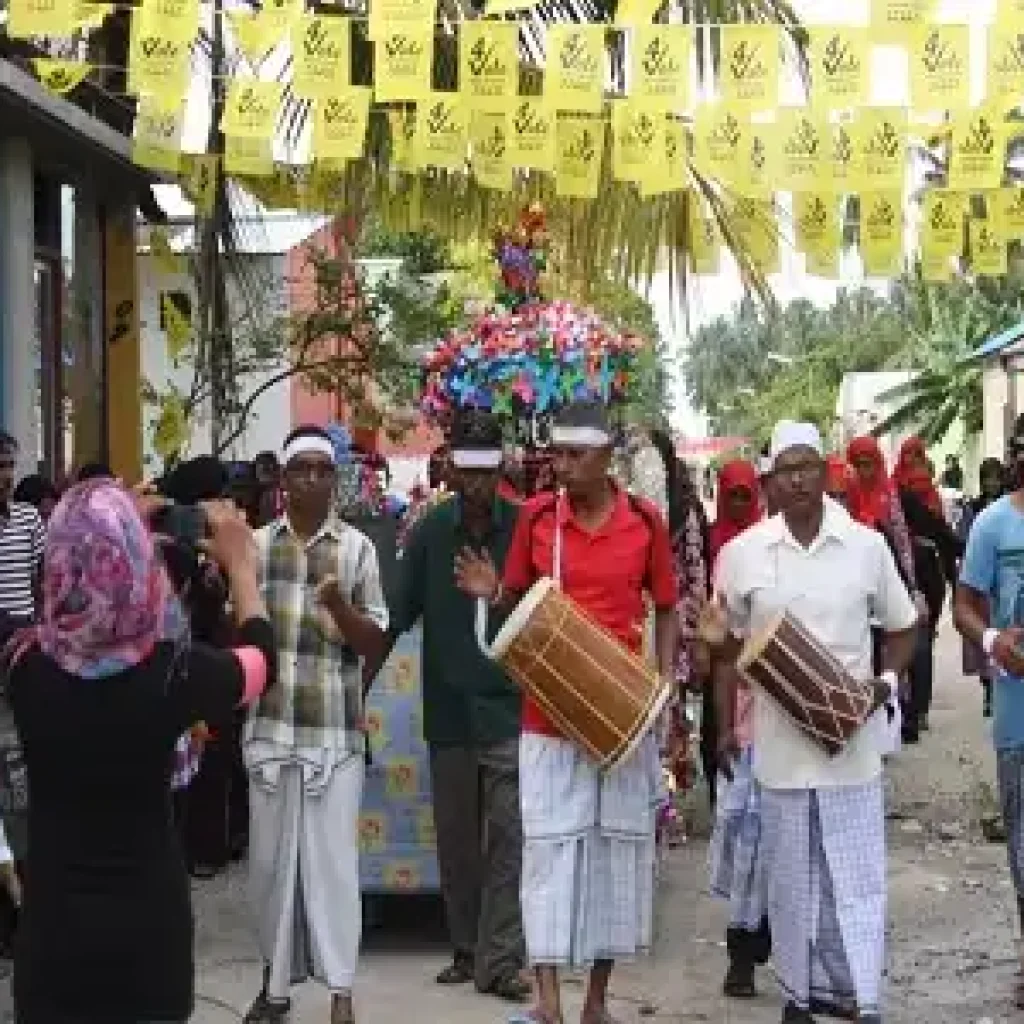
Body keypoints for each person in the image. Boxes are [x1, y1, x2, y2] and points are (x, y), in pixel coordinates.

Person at [5, 479, 275, 1023]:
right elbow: (260, 661)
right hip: (149, 945)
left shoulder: (25, 668)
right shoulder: (177, 673)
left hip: (53, 947)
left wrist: (103, 513)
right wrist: (242, 570)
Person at [455, 401, 678, 1024]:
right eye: (557, 454)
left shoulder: (647, 524)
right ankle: (548, 1003)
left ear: (608, 458)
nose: (562, 466)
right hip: (548, 719)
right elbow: (518, 604)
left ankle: (597, 1003)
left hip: (621, 716)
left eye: (576, 455)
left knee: (616, 854)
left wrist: (660, 689)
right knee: (548, 855)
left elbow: (667, 607)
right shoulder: (536, 519)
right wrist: (490, 594)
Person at [702, 421, 917, 1024]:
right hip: (779, 752)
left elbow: (903, 627)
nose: (797, 478)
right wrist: (714, 647)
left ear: (826, 473)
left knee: (858, 879)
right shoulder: (741, 555)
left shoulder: (865, 547)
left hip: (851, 749)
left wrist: (884, 684)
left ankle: (861, 997)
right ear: (770, 480)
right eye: (785, 469)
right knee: (792, 885)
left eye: (808, 466)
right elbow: (725, 649)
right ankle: (800, 995)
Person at [364, 411, 529, 1003]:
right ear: (453, 468)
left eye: (488, 472)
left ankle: (502, 958)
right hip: (451, 708)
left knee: (509, 837)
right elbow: (394, 619)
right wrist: (359, 687)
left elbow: (545, 613)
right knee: (458, 841)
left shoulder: (525, 528)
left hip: (511, 707)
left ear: (502, 467)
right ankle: (467, 948)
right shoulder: (431, 534)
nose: (479, 484)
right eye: (469, 471)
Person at [243, 425, 389, 1024]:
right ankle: (274, 988)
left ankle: (341, 992)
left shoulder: (357, 550)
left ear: (336, 479)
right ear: (282, 481)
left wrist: (338, 608)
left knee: (333, 868)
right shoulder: (254, 548)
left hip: (334, 737)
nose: (311, 479)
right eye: (299, 469)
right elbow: (240, 635)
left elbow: (375, 641)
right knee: (270, 871)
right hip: (270, 732)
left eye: (322, 470)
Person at [954, 418, 1024, 1009]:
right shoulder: (992, 525)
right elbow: (964, 606)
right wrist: (995, 638)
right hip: (1016, 714)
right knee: (1023, 841)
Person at [703, 458, 771, 999]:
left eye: (750, 496)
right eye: (736, 496)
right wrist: (723, 724)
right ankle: (741, 951)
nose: (742, 506)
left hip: (793, 718)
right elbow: (722, 650)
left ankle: (775, 938)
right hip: (745, 717)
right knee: (745, 834)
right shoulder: (727, 555)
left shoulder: (782, 552)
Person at [891, 438, 963, 740]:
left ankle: (917, 708)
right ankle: (910, 708)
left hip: (929, 576)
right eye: (910, 456)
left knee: (922, 639)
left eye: (918, 455)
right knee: (910, 639)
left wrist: (952, 579)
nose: (915, 461)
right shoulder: (894, 493)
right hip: (901, 573)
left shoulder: (929, 494)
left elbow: (943, 539)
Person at [958, 457, 1006, 718]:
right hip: (980, 583)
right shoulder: (973, 508)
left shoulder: (1011, 506)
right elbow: (963, 540)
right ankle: (988, 689)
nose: (991, 483)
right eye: (987, 478)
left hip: (1002, 587)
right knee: (984, 636)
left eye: (995, 477)